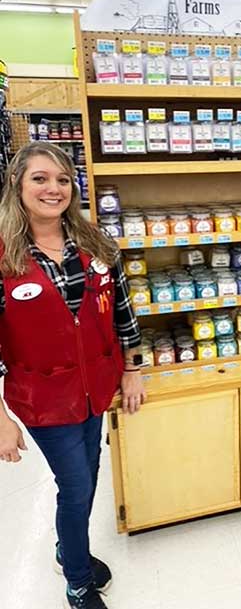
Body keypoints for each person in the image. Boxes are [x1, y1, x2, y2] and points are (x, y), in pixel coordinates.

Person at [0, 143, 146, 608]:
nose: (53, 188)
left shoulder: (95, 244)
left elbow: (124, 313)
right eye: (40, 178)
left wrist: (133, 370)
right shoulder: (4, 256)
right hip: (42, 397)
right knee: (77, 484)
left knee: (89, 473)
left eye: (63, 179)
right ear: (17, 186)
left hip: (94, 388)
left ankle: (69, 547)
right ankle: (78, 579)